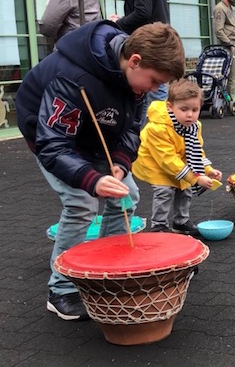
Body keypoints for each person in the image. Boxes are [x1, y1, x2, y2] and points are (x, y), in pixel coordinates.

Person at [15, 20, 185, 321]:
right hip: (51, 137)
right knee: (81, 203)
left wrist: (120, 163)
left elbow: (132, 127)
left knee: (127, 196)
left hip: (95, 136)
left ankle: (106, 271)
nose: (156, 90)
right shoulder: (73, 77)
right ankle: (62, 290)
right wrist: (91, 179)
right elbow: (54, 144)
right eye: (155, 81)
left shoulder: (135, 77)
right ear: (134, 61)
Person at [132, 79, 222, 235]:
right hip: (154, 162)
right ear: (170, 106)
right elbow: (167, 160)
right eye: (184, 109)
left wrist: (207, 170)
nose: (190, 115)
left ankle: (181, 221)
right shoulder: (158, 128)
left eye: (195, 110)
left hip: (178, 160)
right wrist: (195, 178)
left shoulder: (195, 126)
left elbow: (196, 151)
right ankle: (159, 225)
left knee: (185, 187)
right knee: (164, 190)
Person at [110, 0, 171, 120]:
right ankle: (153, 139)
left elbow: (142, 12)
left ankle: (158, 140)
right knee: (153, 95)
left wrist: (118, 23)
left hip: (148, 46)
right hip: (157, 42)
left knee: (154, 96)